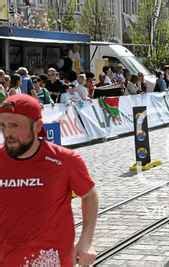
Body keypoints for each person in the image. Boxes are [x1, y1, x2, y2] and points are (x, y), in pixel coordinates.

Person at [0, 94, 98, 266]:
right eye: (3, 125)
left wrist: (86, 241)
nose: (8, 133)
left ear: (37, 126)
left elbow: (89, 195)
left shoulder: (66, 160)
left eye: (15, 125)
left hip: (50, 260)